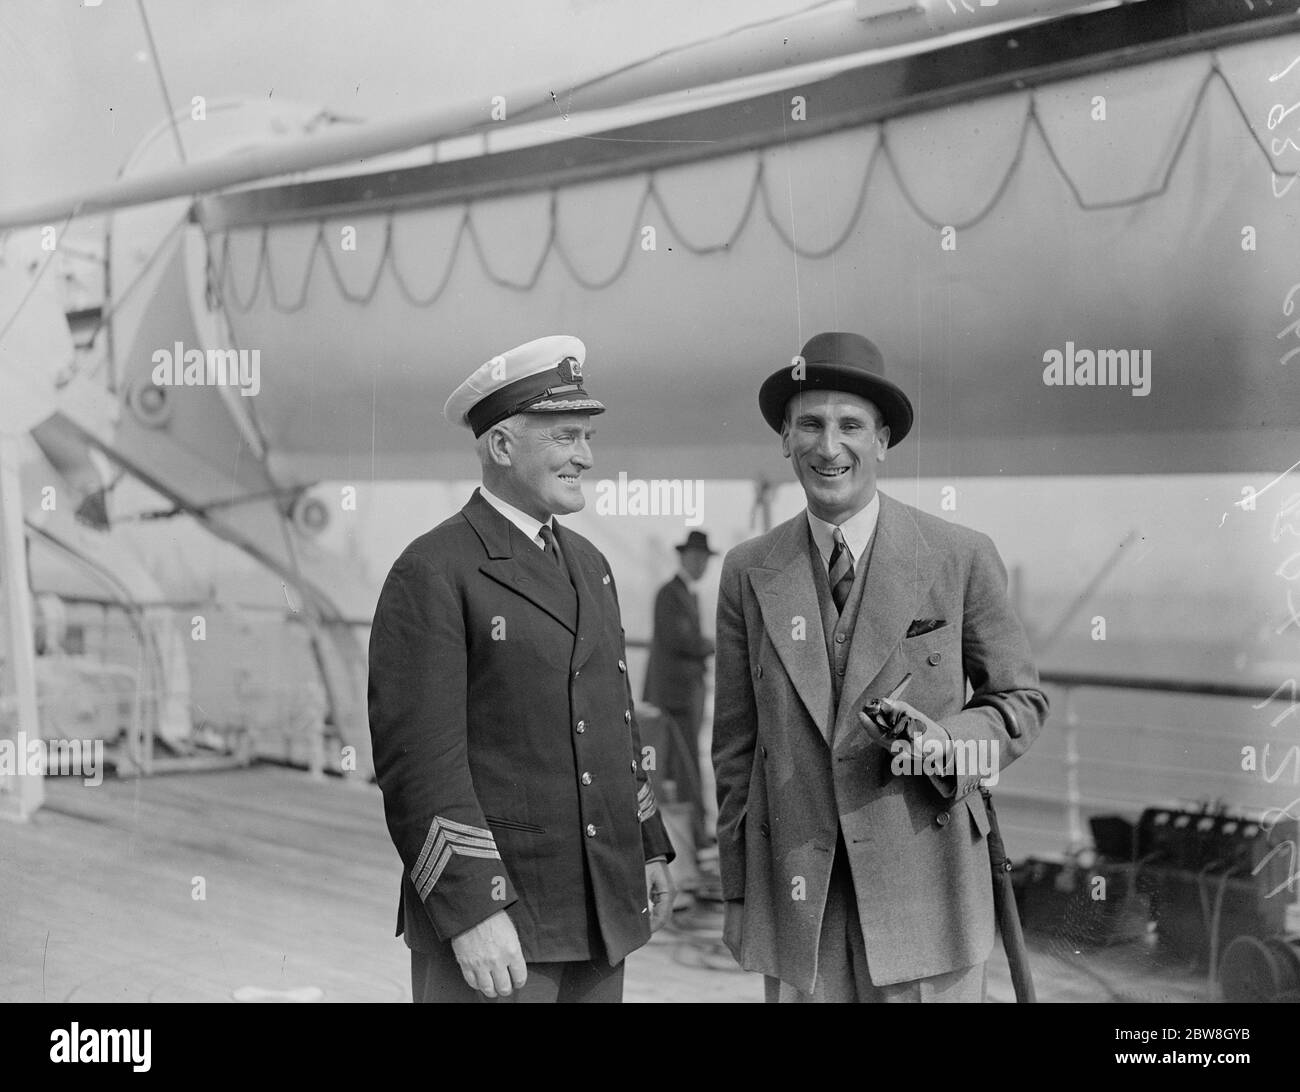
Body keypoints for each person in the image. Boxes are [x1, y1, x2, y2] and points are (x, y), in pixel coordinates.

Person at [711, 331, 1048, 1003]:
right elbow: (734, 751)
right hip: (803, 913)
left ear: (883, 440)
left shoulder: (959, 555)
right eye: (808, 423)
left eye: (850, 426)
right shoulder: (749, 570)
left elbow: (1020, 701)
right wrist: (740, 893)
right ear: (785, 437)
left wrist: (947, 744)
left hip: (931, 906)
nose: (827, 447)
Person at [368, 335, 675, 1004]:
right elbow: (419, 765)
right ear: (501, 447)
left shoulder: (591, 564)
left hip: (599, 910)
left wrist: (646, 844)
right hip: (499, 926)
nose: (587, 457)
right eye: (566, 436)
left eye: (587, 436)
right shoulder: (434, 570)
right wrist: (473, 911)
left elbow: (613, 723)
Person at [643, 530, 716, 845]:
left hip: (686, 695)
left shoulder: (686, 594)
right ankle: (693, 837)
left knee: (683, 769)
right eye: (698, 558)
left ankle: (694, 834)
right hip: (676, 699)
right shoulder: (670, 594)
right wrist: (717, 643)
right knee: (681, 769)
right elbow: (681, 640)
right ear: (685, 558)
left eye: (705, 559)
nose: (702, 565)